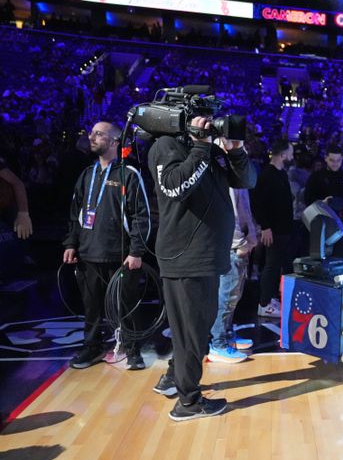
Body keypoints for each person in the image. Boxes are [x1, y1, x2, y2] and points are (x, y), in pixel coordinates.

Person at [149, 116, 255, 421]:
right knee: (192, 333)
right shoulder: (166, 145)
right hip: (187, 256)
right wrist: (199, 147)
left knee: (192, 331)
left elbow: (247, 180)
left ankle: (174, 380)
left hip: (206, 256)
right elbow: (175, 187)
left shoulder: (212, 152)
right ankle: (188, 401)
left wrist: (234, 150)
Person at [62, 121, 150, 370]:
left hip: (120, 255)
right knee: (91, 308)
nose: (91, 137)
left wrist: (136, 251)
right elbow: (75, 213)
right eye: (91, 133)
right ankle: (92, 347)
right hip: (89, 253)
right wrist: (71, 243)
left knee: (126, 306)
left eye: (98, 134)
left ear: (114, 142)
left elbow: (141, 216)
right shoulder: (86, 175)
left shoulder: (129, 174)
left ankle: (132, 350)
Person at [208, 184, 258, 364]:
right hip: (232, 247)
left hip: (238, 246)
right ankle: (218, 345)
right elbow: (229, 215)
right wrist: (240, 244)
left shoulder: (236, 174)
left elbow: (243, 210)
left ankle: (226, 337)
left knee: (232, 297)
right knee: (226, 297)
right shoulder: (228, 177)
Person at [252, 141, 295, 318]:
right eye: (290, 153)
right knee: (271, 265)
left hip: (284, 228)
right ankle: (264, 303)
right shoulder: (267, 175)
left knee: (277, 264)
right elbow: (258, 203)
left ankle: (269, 298)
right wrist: (266, 227)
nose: (293, 156)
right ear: (283, 155)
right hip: (273, 229)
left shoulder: (281, 174)